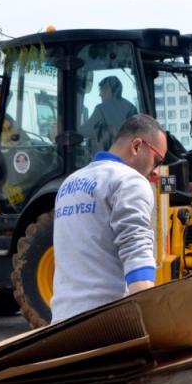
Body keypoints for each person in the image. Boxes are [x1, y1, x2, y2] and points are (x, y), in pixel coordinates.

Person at [50, 113, 166, 323]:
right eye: (156, 160)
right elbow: (136, 248)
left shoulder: (69, 184)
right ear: (137, 146)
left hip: (62, 321)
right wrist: (152, 318)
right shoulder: (130, 181)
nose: (155, 170)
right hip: (106, 323)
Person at [84, 76, 138, 150]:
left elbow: (85, 130)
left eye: (101, 90)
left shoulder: (102, 109)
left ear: (109, 90)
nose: (100, 94)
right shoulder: (131, 108)